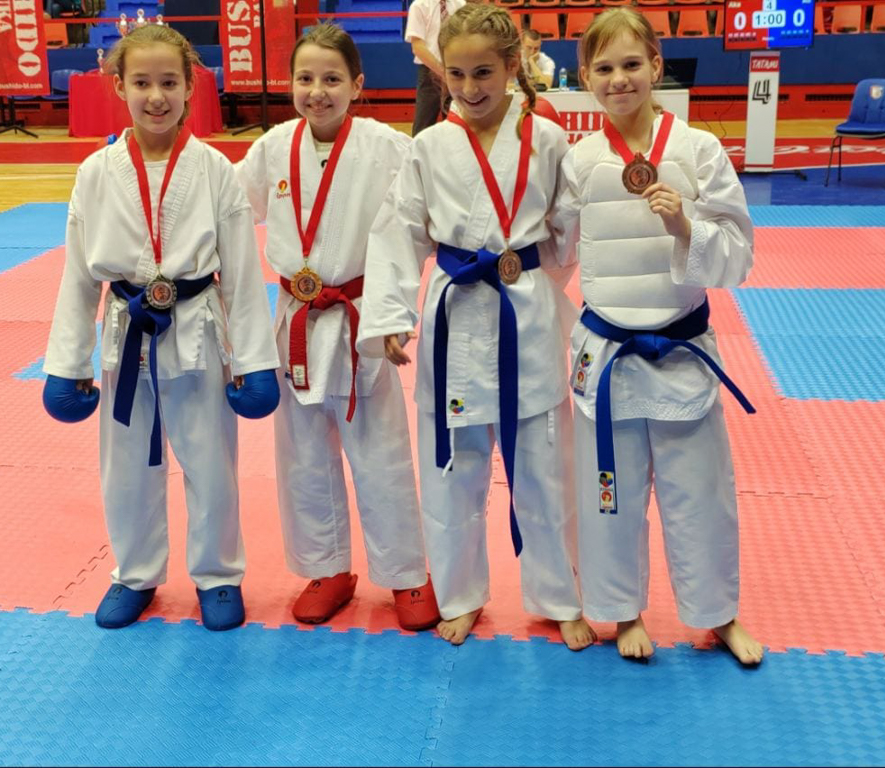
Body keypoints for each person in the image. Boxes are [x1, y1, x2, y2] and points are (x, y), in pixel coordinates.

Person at [357, 3, 596, 651]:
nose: (468, 87)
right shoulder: (429, 146)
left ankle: (560, 597)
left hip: (526, 316)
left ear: (513, 65)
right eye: (456, 74)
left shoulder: (548, 140)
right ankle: (460, 595)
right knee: (451, 473)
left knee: (545, 471)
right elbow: (400, 231)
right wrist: (391, 315)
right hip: (455, 318)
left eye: (483, 72)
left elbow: (568, 231)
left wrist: (539, 276)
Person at [41, 24, 280, 631]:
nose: (156, 97)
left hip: (199, 332)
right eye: (142, 83)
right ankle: (135, 573)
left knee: (211, 461)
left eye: (169, 82)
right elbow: (79, 277)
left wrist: (254, 361)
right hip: (126, 333)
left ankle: (218, 574)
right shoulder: (96, 173)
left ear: (190, 86)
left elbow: (241, 275)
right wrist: (66, 364)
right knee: (126, 466)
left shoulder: (216, 170)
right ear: (119, 86)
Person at [555, 8, 764, 664]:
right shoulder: (578, 160)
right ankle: (623, 612)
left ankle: (717, 614)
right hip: (607, 352)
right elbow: (557, 251)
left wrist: (686, 229)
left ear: (655, 65)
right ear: (585, 77)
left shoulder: (698, 150)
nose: (619, 79)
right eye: (604, 68)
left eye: (631, 64)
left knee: (700, 494)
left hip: (681, 350)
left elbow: (738, 255)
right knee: (608, 493)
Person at [234, 24, 441, 631]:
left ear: (357, 84)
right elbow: (229, 214)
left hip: (360, 319)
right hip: (294, 321)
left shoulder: (388, 149)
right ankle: (327, 570)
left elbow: (414, 231)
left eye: (331, 79)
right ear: (289, 84)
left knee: (381, 452)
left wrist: (397, 313)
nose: (317, 91)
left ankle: (406, 573)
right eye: (305, 78)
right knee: (302, 454)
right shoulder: (272, 148)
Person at [406, 0, 467, 135]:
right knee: (423, 125)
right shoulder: (419, 6)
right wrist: (443, 72)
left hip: (456, 69)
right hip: (429, 70)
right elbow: (417, 47)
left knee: (457, 125)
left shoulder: (460, 4)